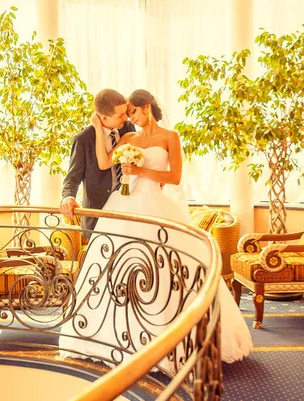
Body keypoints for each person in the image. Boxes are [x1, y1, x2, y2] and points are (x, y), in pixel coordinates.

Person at [58, 89, 252, 372]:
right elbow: (102, 163)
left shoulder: (170, 137)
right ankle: (110, 338)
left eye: (132, 112)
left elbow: (174, 177)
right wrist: (98, 129)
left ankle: (168, 338)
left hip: (155, 204)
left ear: (146, 108)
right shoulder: (126, 136)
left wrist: (140, 172)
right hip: (122, 206)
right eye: (125, 114)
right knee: (115, 268)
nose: (128, 118)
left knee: (165, 268)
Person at [60, 89, 136, 233]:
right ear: (104, 118)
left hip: (127, 208)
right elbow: (73, 176)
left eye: (125, 113)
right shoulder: (83, 140)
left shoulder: (128, 128)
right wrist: (68, 197)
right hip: (97, 213)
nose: (125, 118)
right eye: (120, 115)